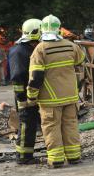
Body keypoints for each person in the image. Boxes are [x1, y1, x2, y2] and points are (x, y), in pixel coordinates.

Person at [27, 14, 85, 168]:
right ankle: (74, 156)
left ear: (42, 30)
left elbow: (36, 77)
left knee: (52, 127)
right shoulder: (70, 45)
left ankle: (56, 159)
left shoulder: (40, 49)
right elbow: (80, 60)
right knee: (70, 125)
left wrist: (31, 96)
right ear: (59, 29)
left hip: (50, 99)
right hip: (70, 96)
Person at [9, 19, 42, 164]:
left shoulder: (27, 48)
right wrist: (22, 99)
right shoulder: (19, 51)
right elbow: (17, 78)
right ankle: (23, 157)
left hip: (31, 95)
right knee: (25, 126)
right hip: (24, 97)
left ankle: (27, 154)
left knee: (31, 125)